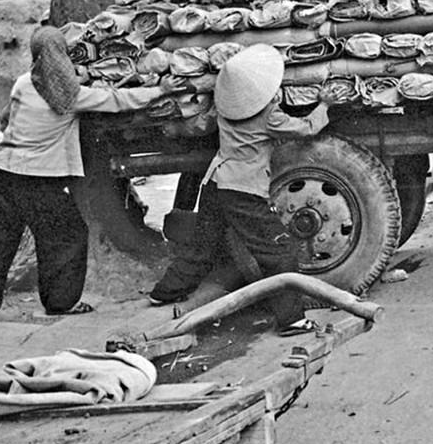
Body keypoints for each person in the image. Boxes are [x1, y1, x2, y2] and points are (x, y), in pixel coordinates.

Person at [0, 27, 185, 322]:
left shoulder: (22, 83)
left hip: (3, 174)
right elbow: (118, 100)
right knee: (66, 236)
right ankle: (61, 302)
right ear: (62, 55)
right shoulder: (73, 96)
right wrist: (161, 91)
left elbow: (3, 118)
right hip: (41, 180)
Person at [149, 45, 348, 331]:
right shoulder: (268, 116)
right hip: (243, 191)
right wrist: (325, 105)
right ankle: (292, 320)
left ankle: (163, 293)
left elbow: (201, 125)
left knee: (202, 246)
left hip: (215, 183)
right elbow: (305, 128)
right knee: (279, 251)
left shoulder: (223, 107)